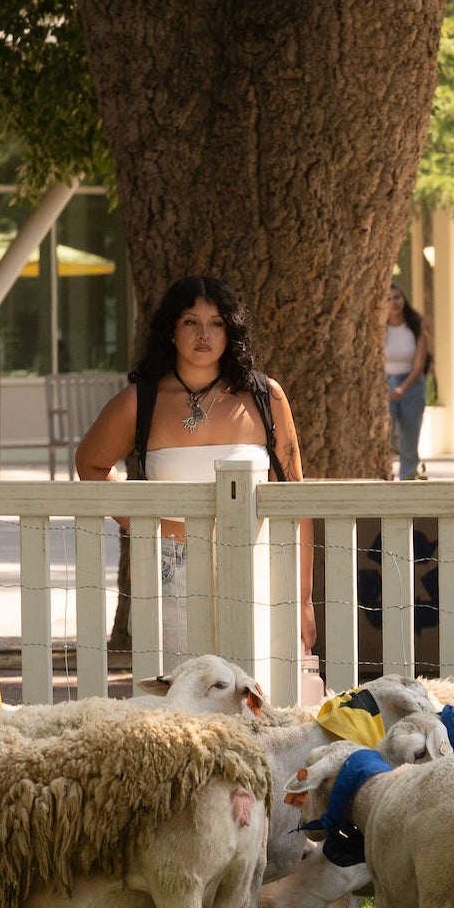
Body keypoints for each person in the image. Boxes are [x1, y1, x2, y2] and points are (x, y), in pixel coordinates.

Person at [75, 276, 312, 692]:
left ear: (230, 330)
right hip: (172, 568)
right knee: (182, 694)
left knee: (259, 693)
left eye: (216, 323)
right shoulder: (141, 400)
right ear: (171, 330)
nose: (204, 334)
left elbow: (296, 501)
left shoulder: (264, 396)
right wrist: (152, 525)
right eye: (190, 322)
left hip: (258, 565)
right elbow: (91, 464)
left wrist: (304, 599)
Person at [382, 284, 431, 480]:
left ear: (404, 300)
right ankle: (384, 480)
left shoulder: (415, 326)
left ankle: (408, 482)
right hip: (387, 384)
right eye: (389, 299)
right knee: (385, 438)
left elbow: (419, 364)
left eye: (397, 297)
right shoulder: (381, 328)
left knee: (409, 441)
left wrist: (403, 387)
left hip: (411, 386)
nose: (394, 303)